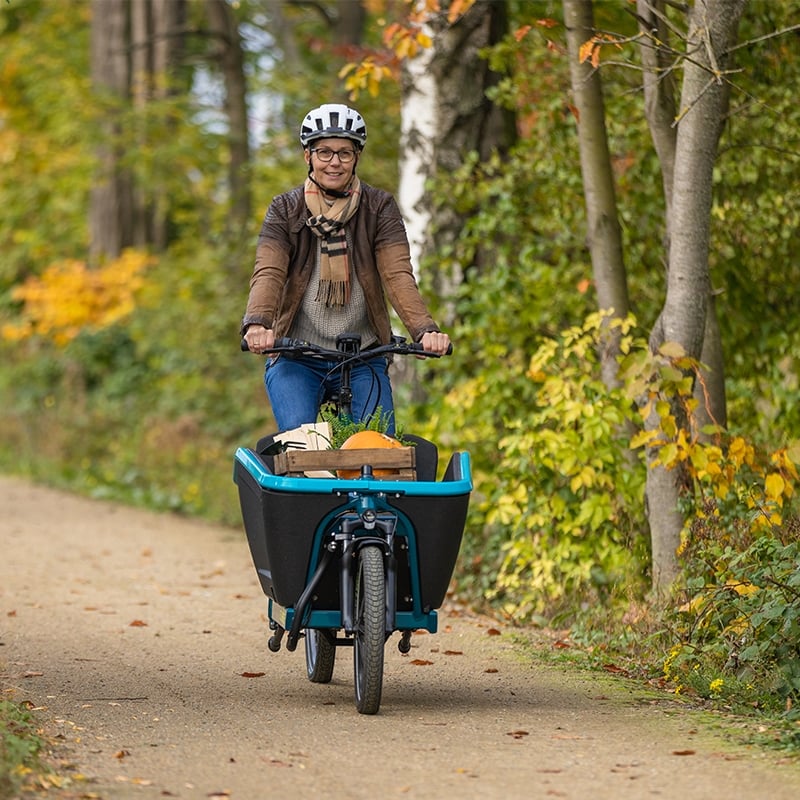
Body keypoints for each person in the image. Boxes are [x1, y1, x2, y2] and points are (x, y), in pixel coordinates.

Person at [241, 103, 450, 434]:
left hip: (363, 357)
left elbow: (397, 276)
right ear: (307, 156)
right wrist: (257, 323)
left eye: (345, 153)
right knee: (305, 449)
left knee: (376, 452)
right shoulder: (285, 209)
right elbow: (269, 271)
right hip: (297, 355)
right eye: (324, 152)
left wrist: (424, 330)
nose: (334, 162)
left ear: (356, 158)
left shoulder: (379, 208)